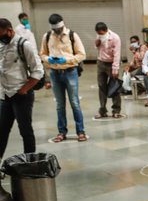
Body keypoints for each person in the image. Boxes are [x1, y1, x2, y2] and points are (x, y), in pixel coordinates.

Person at [0, 18, 44, 160]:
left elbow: (38, 71)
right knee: (2, 131)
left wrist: (24, 89)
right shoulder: (1, 45)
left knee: (25, 131)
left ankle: (29, 163)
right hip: (5, 94)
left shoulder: (24, 45)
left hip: (21, 95)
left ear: (10, 30)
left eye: (1, 35)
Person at [40, 13, 87, 142]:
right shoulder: (47, 36)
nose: (57, 32)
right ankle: (61, 132)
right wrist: (48, 59)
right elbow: (42, 54)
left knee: (74, 103)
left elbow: (82, 55)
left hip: (70, 72)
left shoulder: (72, 35)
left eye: (58, 29)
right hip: (55, 73)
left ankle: (81, 131)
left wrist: (66, 60)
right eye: (54, 29)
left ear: (62, 25)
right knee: (60, 105)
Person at [94, 22, 122, 119]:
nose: (100, 35)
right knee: (101, 87)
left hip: (111, 64)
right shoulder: (99, 36)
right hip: (101, 63)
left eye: (101, 34)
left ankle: (116, 110)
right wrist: (97, 44)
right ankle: (102, 110)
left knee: (114, 87)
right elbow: (98, 48)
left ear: (106, 31)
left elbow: (117, 54)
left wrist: (115, 69)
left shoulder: (115, 38)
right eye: (98, 34)